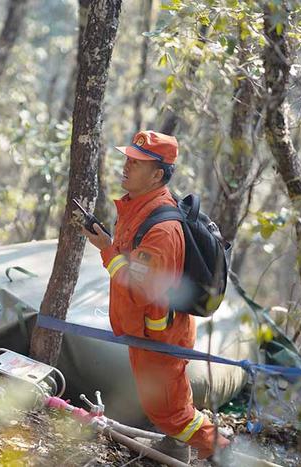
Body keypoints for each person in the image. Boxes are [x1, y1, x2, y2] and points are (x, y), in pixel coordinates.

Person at [82, 130, 230, 462]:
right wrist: (109, 241)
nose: (126, 166)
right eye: (128, 159)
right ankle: (175, 447)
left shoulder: (162, 229)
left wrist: (106, 250)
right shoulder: (138, 208)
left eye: (136, 163)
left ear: (157, 175)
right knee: (167, 405)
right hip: (145, 331)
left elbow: (141, 288)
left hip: (159, 337)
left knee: (173, 414)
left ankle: (225, 454)